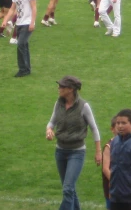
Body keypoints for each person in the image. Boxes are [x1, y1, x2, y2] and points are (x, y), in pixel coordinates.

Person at [45, 75, 103, 209]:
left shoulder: (83, 106)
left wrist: (98, 151)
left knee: (67, 189)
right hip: (60, 151)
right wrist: (49, 130)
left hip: (76, 153)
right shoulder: (58, 103)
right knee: (70, 189)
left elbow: (94, 129)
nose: (58, 88)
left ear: (70, 89)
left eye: (61, 86)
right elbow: (52, 121)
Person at [2, 0, 36, 77]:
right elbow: (12, 9)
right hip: (19, 23)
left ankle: (22, 69)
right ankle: (27, 68)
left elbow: (34, 8)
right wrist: (5, 20)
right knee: (24, 46)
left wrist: (32, 22)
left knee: (21, 44)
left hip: (27, 23)